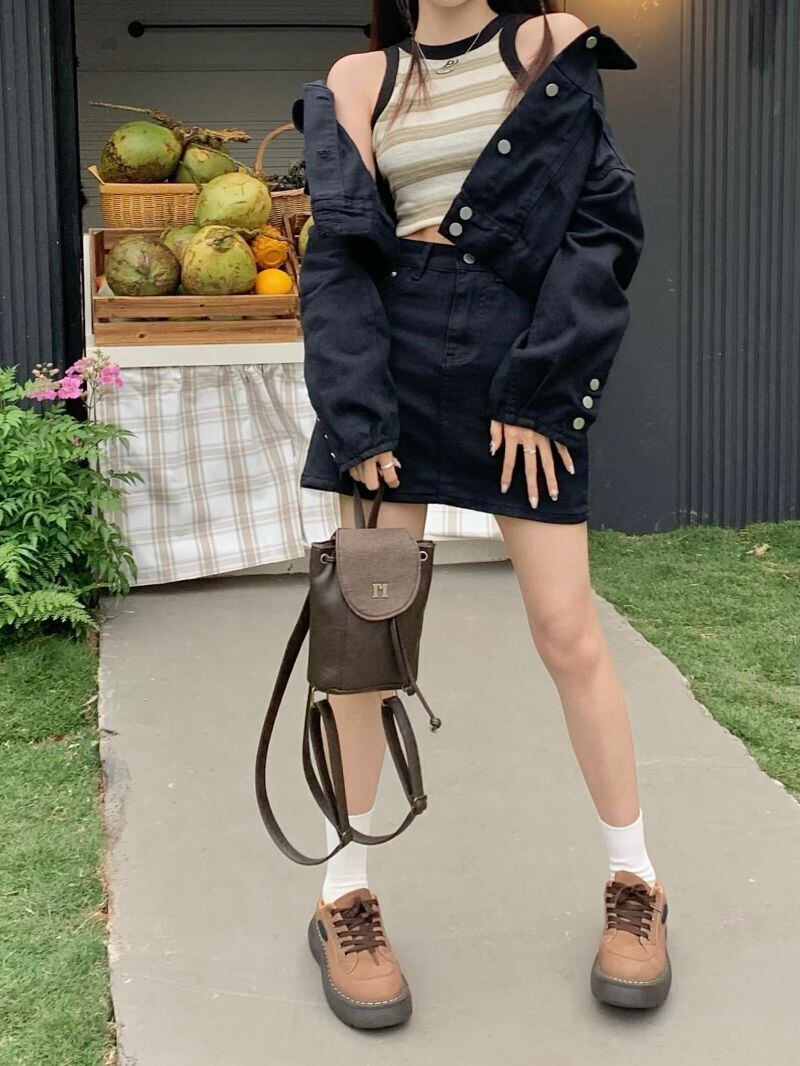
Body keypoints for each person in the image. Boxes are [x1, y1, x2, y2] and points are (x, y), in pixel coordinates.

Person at [295, 0, 671, 1028]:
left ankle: (635, 881)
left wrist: (544, 389)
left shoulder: (550, 45)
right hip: (393, 369)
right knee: (364, 643)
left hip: (522, 367)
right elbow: (339, 256)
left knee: (568, 631)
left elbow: (600, 225)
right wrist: (357, 411)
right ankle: (342, 892)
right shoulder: (360, 79)